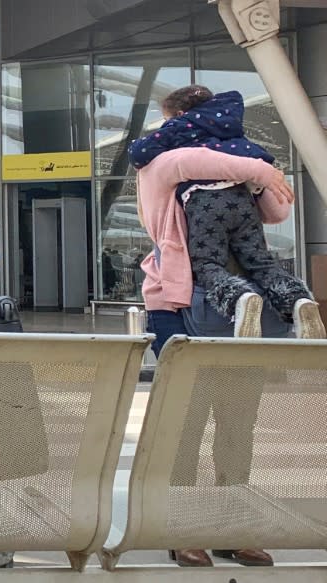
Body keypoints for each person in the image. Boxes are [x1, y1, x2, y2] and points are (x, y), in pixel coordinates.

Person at [136, 145, 296, 568]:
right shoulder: (161, 164)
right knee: (186, 422)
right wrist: (258, 166)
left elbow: (279, 212)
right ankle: (183, 529)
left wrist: (261, 178)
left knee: (237, 424)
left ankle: (233, 527)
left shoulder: (237, 170)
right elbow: (188, 160)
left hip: (239, 312)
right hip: (175, 307)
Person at [129, 85, 324, 338]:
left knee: (181, 371)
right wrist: (258, 173)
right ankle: (297, 300)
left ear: (178, 117)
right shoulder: (242, 155)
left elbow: (188, 159)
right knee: (244, 374)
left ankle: (238, 299)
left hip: (178, 298)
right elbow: (278, 212)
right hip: (253, 283)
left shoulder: (160, 162)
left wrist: (254, 171)